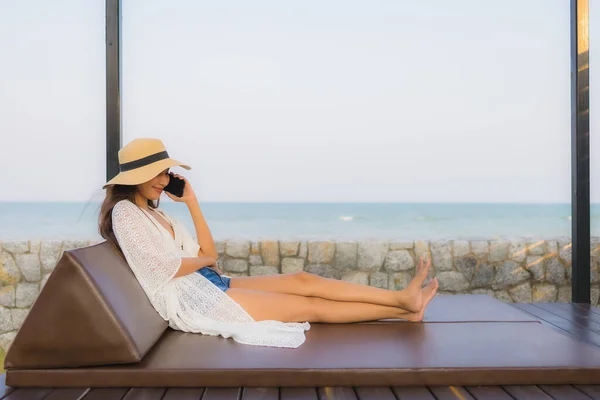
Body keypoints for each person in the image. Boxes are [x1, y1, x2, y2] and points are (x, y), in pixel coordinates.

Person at [98, 138, 439, 348]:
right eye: (158, 174)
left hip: (209, 283)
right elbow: (163, 268)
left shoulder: (159, 215)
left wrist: (192, 203)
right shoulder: (125, 213)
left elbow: (207, 254)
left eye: (166, 172)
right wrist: (204, 262)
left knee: (304, 281)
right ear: (137, 177)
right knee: (309, 307)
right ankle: (403, 308)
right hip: (194, 300)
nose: (163, 180)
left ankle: (401, 301)